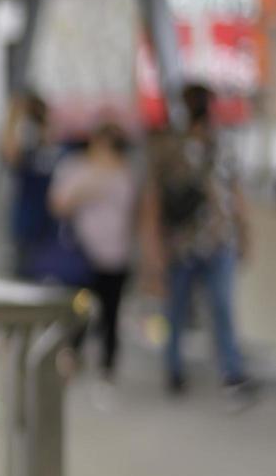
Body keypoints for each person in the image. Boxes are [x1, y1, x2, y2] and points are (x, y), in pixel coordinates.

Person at [140, 83, 258, 404]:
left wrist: (244, 232)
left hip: (218, 240)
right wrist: (153, 248)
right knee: (175, 309)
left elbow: (234, 191)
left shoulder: (220, 143)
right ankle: (173, 368)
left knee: (221, 306)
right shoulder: (169, 146)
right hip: (181, 243)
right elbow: (153, 199)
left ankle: (231, 370)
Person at [50, 121, 137, 378]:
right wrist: (94, 183)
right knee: (80, 312)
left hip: (117, 254)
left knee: (111, 313)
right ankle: (71, 356)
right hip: (84, 254)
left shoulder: (126, 172)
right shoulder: (77, 168)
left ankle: (107, 366)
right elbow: (59, 204)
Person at [0, 92, 63, 280]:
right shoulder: (27, 149)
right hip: (27, 227)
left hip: (52, 229)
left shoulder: (53, 146)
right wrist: (15, 114)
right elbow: (9, 153)